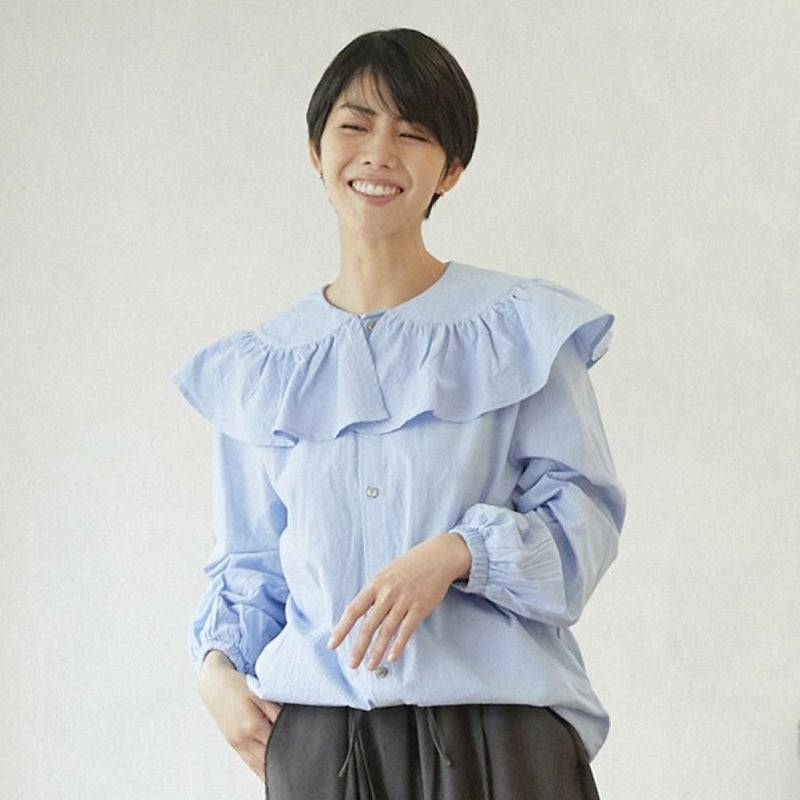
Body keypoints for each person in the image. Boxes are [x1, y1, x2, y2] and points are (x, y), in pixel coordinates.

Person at [174, 28, 625, 800]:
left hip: (501, 736)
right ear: (316, 151)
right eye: (355, 125)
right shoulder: (262, 369)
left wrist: (457, 552)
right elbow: (250, 563)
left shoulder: (521, 331)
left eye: (413, 133)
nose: (379, 152)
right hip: (321, 743)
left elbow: (581, 536)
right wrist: (214, 670)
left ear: (450, 169)